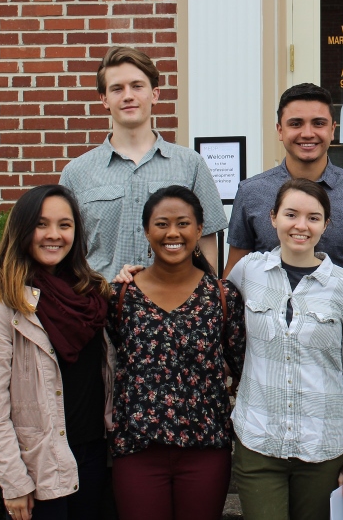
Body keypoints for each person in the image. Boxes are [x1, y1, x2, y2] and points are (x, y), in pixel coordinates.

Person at [226, 179, 343, 520]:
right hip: (258, 439)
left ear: (326, 224)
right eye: (291, 214)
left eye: (313, 217)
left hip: (323, 446)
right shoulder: (248, 272)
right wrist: (136, 274)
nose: (301, 226)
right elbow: (198, 296)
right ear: (273, 218)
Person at [0, 185, 113, 520]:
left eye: (64, 225)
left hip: (94, 457)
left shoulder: (89, 294)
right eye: (41, 224)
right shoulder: (1, 305)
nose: (54, 235)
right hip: (39, 470)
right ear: (22, 229)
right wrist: (14, 483)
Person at [107, 185, 245, 520]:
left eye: (183, 223)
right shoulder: (120, 296)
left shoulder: (222, 296)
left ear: (199, 230)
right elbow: (107, 363)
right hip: (137, 449)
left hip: (205, 450)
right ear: (146, 231)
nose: (173, 233)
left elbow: (242, 367)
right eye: (162, 224)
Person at [59, 46, 228, 281]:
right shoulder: (77, 173)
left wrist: (201, 296)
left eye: (137, 86)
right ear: (104, 99)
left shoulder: (190, 164)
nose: (128, 95)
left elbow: (207, 238)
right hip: (100, 305)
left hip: (175, 308)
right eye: (117, 88)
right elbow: (67, 249)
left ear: (154, 94)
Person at [225, 82, 343, 278]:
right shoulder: (251, 192)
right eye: (296, 123)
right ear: (280, 130)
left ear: (332, 129)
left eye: (319, 123)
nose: (308, 133)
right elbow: (233, 277)